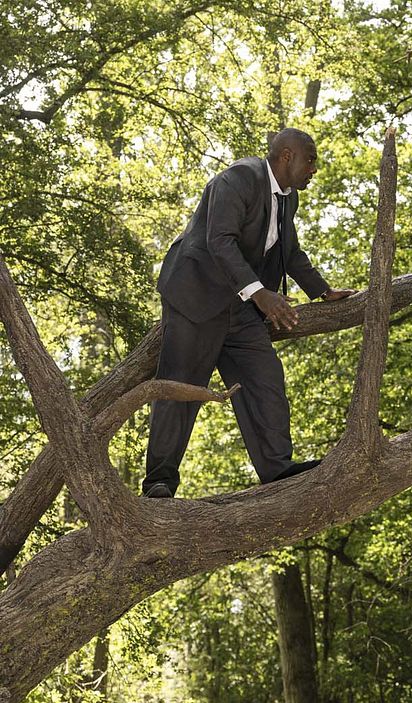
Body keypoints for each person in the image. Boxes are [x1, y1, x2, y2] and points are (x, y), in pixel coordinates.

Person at [142, 128, 355, 499]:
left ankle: (277, 469)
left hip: (241, 308)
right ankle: (159, 481)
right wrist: (262, 296)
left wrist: (322, 290)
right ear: (286, 156)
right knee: (181, 386)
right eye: (311, 159)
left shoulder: (288, 199)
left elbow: (290, 251)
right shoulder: (239, 177)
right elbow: (219, 240)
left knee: (265, 377)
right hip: (196, 296)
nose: (314, 168)